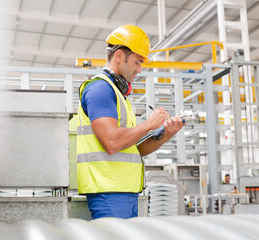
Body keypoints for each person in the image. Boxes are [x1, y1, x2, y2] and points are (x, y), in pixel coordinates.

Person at [76, 25, 184, 219]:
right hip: (109, 192)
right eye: (137, 62)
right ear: (119, 56)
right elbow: (112, 142)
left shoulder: (119, 96)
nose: (139, 69)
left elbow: (135, 150)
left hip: (124, 192)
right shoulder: (100, 89)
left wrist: (167, 134)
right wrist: (150, 124)